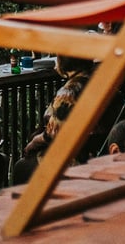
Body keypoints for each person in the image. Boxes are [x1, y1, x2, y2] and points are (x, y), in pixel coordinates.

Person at [13, 55, 95, 184]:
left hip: (75, 159)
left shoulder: (69, 93)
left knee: (21, 167)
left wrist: (33, 143)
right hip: (97, 154)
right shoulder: (100, 82)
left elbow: (53, 134)